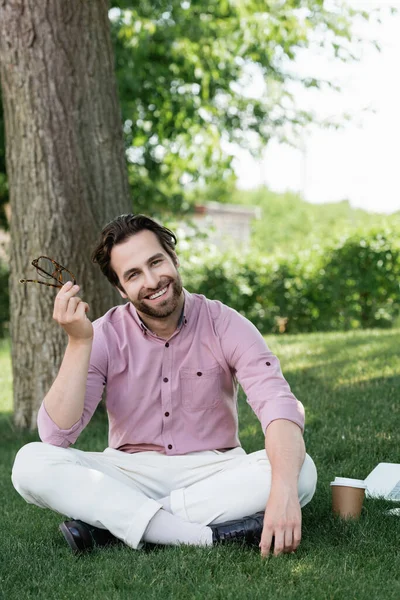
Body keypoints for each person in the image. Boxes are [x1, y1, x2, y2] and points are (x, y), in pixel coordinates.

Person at [12, 214, 317, 557]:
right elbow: (56, 437)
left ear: (173, 257)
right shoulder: (103, 334)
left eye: (156, 262)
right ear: (120, 289)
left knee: (301, 473)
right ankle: (206, 537)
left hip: (214, 469)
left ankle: (113, 525)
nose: (152, 280)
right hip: (129, 470)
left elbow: (278, 406)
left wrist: (284, 492)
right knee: (30, 462)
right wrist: (79, 343)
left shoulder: (226, 323)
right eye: (134, 274)